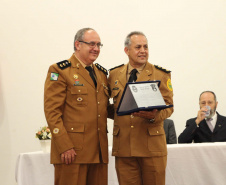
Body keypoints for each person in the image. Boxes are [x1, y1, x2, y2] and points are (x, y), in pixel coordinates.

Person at [44, 28, 109, 185]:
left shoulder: (101, 73)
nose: (96, 48)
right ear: (78, 44)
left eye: (99, 44)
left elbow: (103, 107)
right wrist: (64, 146)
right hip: (72, 152)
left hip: (98, 151)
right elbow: (52, 112)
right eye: (92, 44)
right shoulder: (60, 70)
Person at [108, 31, 174, 185]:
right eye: (138, 47)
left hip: (151, 146)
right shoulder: (114, 75)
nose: (143, 51)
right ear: (127, 50)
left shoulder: (161, 74)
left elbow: (169, 107)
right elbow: (110, 108)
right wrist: (122, 113)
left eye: (145, 47)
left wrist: (152, 115)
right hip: (124, 147)